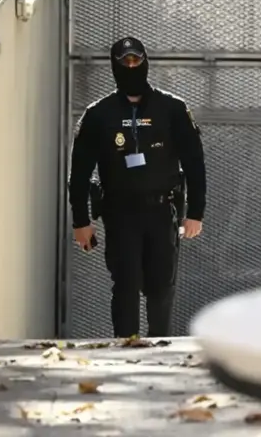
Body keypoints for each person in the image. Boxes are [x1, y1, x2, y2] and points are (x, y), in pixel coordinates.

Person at [69, 36, 207, 338]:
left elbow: (195, 162)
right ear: (115, 66)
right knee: (126, 283)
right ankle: (126, 346)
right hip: (120, 213)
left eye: (137, 60)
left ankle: (161, 347)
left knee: (161, 286)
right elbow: (79, 171)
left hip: (162, 210)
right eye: (125, 62)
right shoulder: (98, 114)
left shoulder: (172, 108)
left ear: (145, 62)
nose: (132, 66)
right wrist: (81, 221)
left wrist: (195, 212)